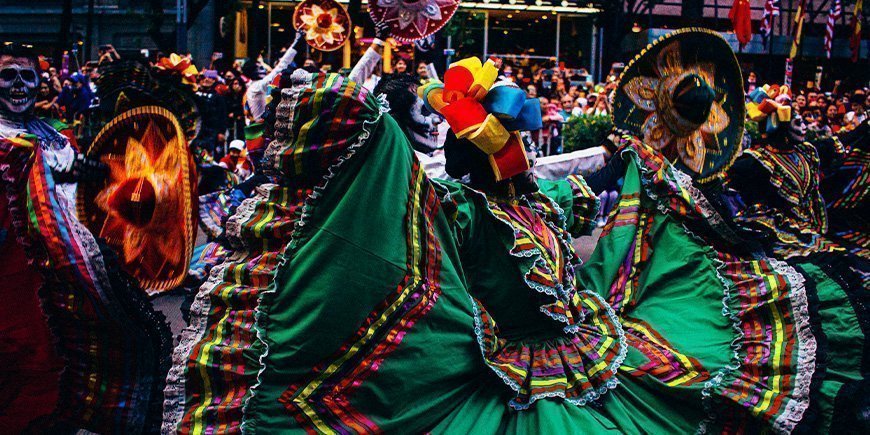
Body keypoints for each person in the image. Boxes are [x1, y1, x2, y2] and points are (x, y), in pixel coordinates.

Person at [0, 43, 171, 433]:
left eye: (28, 76)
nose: (18, 86)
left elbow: (88, 179)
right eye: (8, 75)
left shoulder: (54, 135)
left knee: (65, 363)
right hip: (14, 272)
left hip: (62, 271)